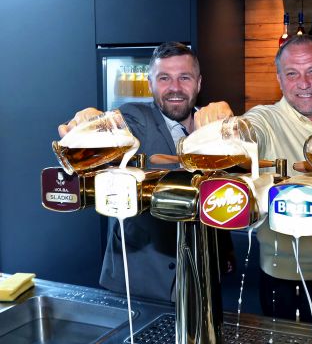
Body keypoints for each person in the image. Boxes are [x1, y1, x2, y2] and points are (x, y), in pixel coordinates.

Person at [195, 35, 312, 330]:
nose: (303, 83)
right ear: (279, 79)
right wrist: (228, 126)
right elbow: (249, 130)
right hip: (286, 279)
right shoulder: (266, 119)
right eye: (292, 74)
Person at [59, 42, 232, 302]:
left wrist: (225, 250)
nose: (175, 87)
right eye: (164, 78)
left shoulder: (213, 126)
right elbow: (114, 127)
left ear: (198, 83)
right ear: (150, 84)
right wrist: (89, 123)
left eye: (184, 77)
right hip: (140, 279)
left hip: (200, 276)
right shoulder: (137, 117)